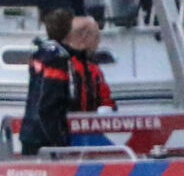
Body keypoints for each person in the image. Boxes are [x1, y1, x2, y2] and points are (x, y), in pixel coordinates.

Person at [19, 8, 114, 154]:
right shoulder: (58, 59)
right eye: (96, 37)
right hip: (46, 138)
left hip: (37, 133)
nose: (98, 42)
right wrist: (58, 141)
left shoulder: (47, 54)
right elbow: (49, 105)